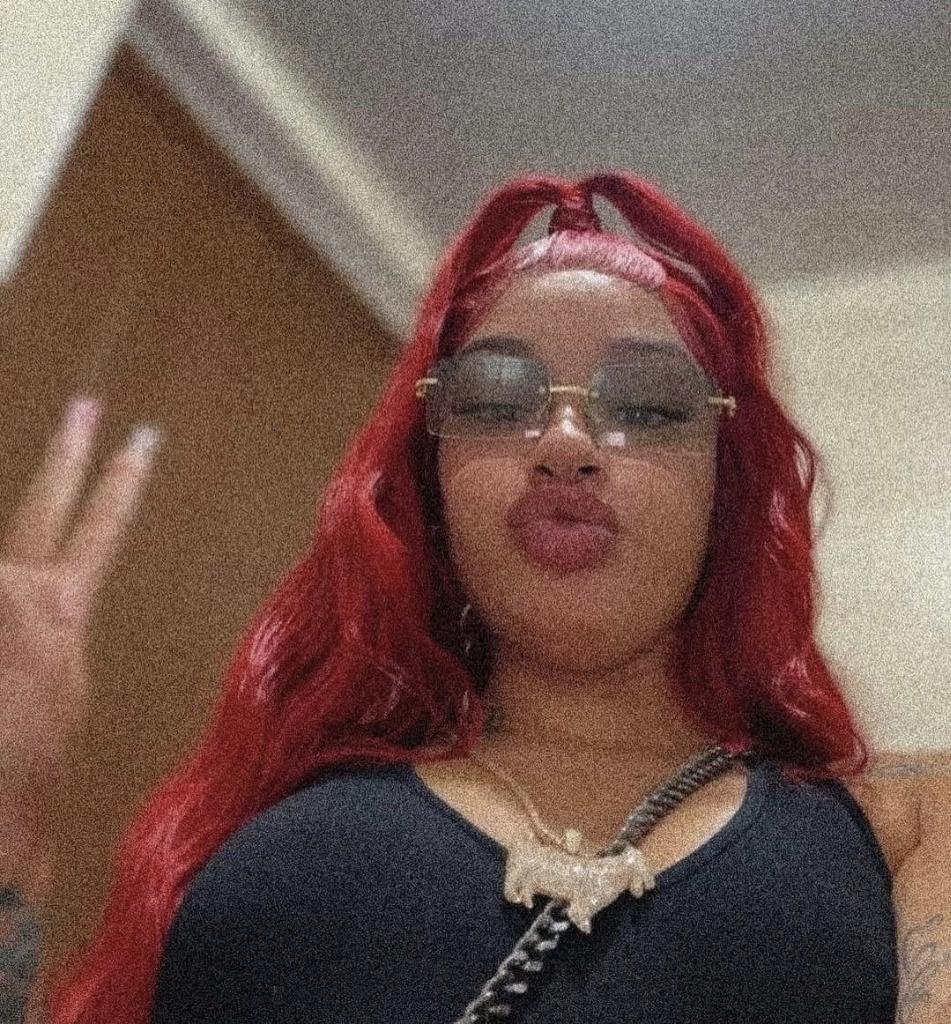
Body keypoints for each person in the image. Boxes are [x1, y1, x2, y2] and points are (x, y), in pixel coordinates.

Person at [1, 171, 947, 1023]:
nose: (565, 443)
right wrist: (11, 819)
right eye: (495, 403)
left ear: (724, 490)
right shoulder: (279, 859)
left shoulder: (901, 833)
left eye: (649, 406)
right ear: (430, 484)